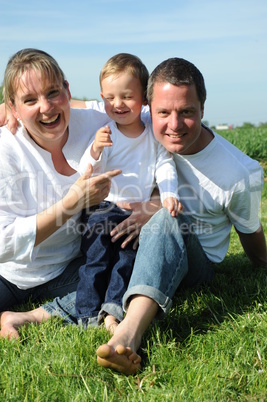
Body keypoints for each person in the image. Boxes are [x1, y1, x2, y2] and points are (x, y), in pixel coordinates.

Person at [1, 57, 266, 376]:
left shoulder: (240, 173)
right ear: (148, 109)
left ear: (202, 110)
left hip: (195, 262)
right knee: (108, 269)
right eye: (163, 112)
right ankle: (28, 316)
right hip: (139, 244)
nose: (175, 124)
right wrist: (10, 108)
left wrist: (155, 204)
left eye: (187, 112)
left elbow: (253, 239)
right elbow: (101, 100)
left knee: (168, 216)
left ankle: (128, 332)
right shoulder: (137, 127)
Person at [0, 48, 121, 313]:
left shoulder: (96, 123)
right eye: (30, 100)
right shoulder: (5, 149)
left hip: (68, 269)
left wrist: (158, 197)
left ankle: (34, 315)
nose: (46, 107)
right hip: (10, 275)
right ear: (13, 107)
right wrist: (72, 204)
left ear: (67, 90)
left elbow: (151, 119)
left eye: (53, 92)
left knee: (123, 268)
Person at [75, 53, 182, 331]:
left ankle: (112, 312)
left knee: (126, 261)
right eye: (110, 98)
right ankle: (86, 313)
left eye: (127, 96)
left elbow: (165, 166)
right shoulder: (105, 132)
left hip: (135, 210)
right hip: (104, 207)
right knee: (97, 258)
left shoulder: (152, 136)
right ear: (102, 97)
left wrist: (168, 193)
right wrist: (96, 150)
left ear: (144, 99)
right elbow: (88, 170)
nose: (118, 104)